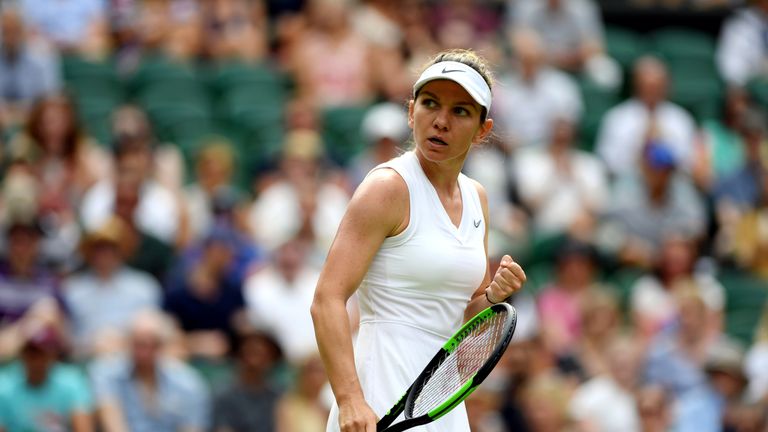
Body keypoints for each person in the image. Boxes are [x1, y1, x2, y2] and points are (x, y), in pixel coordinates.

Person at [311, 49, 527, 432]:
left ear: (483, 129)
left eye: (460, 111)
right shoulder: (387, 187)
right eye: (430, 104)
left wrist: (493, 295)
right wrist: (349, 400)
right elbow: (327, 299)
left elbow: (463, 317)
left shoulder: (478, 197)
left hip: (441, 401)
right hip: (377, 395)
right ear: (411, 112)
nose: (440, 121)